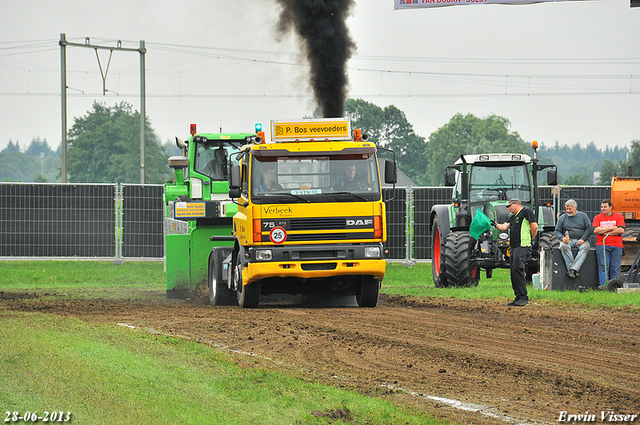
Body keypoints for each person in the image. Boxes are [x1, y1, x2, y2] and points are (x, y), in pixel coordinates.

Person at [495, 198, 538, 306]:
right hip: (514, 248)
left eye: (509, 206)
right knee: (514, 272)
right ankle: (518, 296)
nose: (508, 208)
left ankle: (523, 297)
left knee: (518, 271)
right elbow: (503, 227)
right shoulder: (512, 217)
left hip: (522, 247)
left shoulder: (526, 212)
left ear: (516, 204)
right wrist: (493, 224)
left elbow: (534, 226)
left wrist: (530, 238)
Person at [592, 199, 625, 288]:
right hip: (602, 245)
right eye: (602, 207)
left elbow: (621, 230)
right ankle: (603, 286)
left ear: (610, 207)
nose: (603, 208)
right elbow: (596, 230)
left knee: (615, 268)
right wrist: (612, 228)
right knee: (603, 267)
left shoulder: (618, 217)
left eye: (605, 207)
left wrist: (607, 233)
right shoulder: (597, 217)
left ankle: (614, 287)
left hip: (616, 245)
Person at [554, 199, 591, 278]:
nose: (568, 211)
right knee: (563, 246)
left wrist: (583, 239)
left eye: (569, 209)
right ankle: (573, 269)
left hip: (580, 240)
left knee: (586, 247)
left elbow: (588, 229)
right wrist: (562, 238)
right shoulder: (562, 218)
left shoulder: (583, 216)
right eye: (566, 209)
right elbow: (557, 231)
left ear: (575, 208)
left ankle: (572, 269)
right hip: (568, 240)